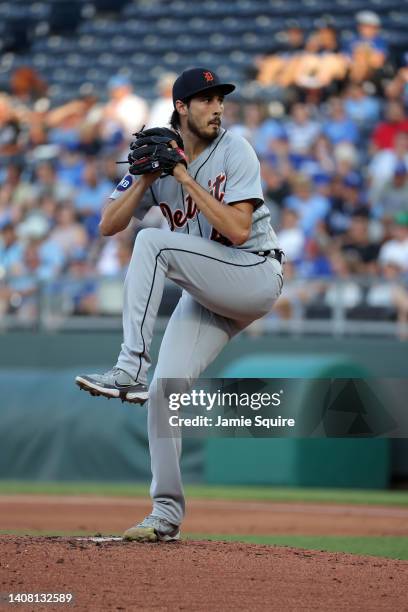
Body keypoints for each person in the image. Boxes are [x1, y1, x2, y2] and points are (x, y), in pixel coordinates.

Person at [75, 67, 284, 542]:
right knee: (165, 391)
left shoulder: (236, 149)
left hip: (253, 272)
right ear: (182, 108)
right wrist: (145, 181)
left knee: (153, 242)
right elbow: (108, 225)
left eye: (220, 99)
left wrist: (183, 177)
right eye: (206, 99)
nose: (217, 107)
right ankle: (165, 514)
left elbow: (235, 230)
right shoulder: (161, 156)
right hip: (208, 289)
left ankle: (129, 366)